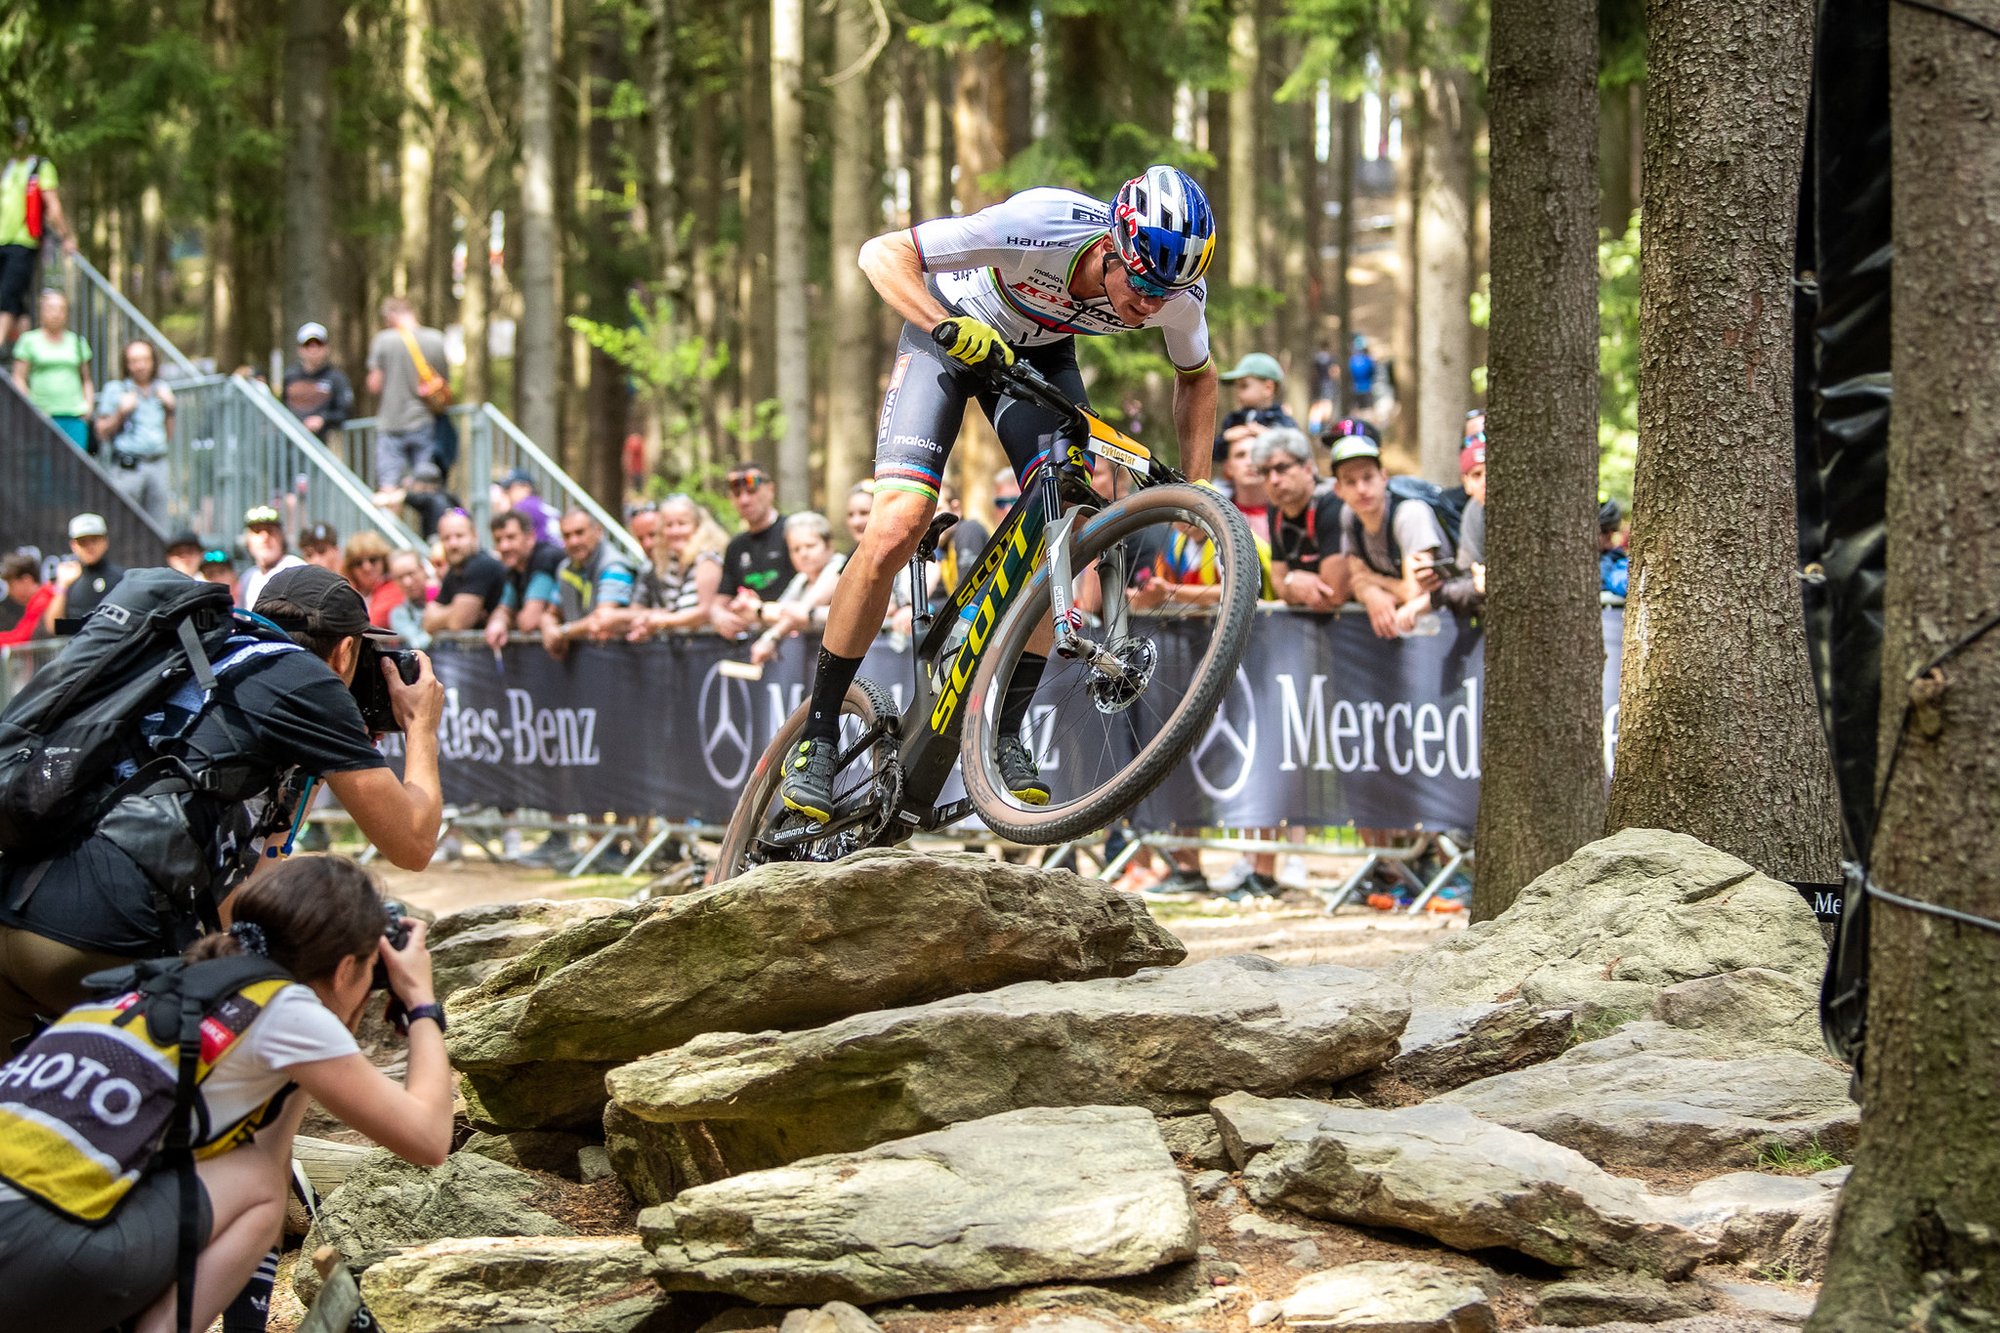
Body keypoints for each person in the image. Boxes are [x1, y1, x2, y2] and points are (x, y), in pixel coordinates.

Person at [784, 164, 1220, 821]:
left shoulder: (1178, 294)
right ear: (1113, 244)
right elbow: (880, 254)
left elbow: (1199, 377)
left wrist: (1197, 481)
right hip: (952, 330)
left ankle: (1004, 731)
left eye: (1167, 293)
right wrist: (941, 324)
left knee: (1068, 521)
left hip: (1040, 354)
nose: (1150, 305)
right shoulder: (1038, 226)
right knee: (899, 522)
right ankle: (816, 738)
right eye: (1141, 283)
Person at [0, 856, 453, 1333]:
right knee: (256, 1183)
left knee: (237, 1168)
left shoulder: (162, 988)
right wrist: (420, 1001)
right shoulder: (284, 1006)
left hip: (26, 1249)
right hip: (35, 1258)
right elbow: (427, 1139)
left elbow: (272, 1144)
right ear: (345, 969)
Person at [0, 565, 445, 1049]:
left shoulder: (206, 656)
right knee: (218, 1092)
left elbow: (249, 885)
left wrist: (313, 767)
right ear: (345, 650)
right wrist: (420, 725)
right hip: (103, 940)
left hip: (16, 910)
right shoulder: (308, 680)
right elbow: (414, 843)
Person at [1330, 433, 1453, 640]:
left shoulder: (1410, 515)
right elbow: (1356, 581)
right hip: (1399, 630)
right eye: (1350, 482)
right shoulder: (1349, 516)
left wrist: (1371, 579)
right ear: (1338, 490)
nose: (1361, 489)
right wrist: (1371, 594)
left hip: (1446, 627)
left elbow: (1414, 592)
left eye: (1368, 477)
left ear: (1383, 477)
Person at [0, 119, 78, 361]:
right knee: (16, 303)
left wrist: (67, 237)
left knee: (6, 298)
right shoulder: (9, 167)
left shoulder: (41, 166)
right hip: (2, 241)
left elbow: (53, 207)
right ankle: (22, 356)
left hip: (23, 243)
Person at [1395, 437, 1486, 631]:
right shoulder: (1474, 512)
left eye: (1491, 471)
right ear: (1466, 483)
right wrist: (1436, 588)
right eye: (1477, 475)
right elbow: (1463, 583)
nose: (1486, 481)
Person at [1259, 427, 1350, 612]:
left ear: (1308, 469)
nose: (1273, 480)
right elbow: (1278, 581)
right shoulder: (1275, 509)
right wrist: (1293, 582)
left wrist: (1290, 582)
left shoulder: (1332, 502)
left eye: (1282, 468)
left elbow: (1333, 593)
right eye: (1265, 472)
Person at [364, 296, 449, 490]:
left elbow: (374, 385)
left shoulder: (384, 340)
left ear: (391, 316)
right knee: (426, 484)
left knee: (389, 486)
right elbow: (444, 382)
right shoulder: (436, 339)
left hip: (391, 422)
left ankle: (391, 518)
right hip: (424, 421)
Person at [94, 339, 176, 525]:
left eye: (145, 359)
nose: (140, 365)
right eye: (134, 360)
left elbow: (169, 435)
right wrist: (121, 412)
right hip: (127, 467)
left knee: (159, 525)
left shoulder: (162, 389)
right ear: (127, 364)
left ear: (153, 362)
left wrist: (171, 408)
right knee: (123, 523)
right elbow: (101, 431)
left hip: (158, 464)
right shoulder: (116, 389)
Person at [710, 463, 794, 638]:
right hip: (751, 643)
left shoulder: (792, 531)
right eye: (737, 494)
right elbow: (720, 600)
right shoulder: (736, 546)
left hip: (793, 636)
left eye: (751, 491)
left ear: (770, 490)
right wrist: (719, 616)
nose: (744, 500)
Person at [750, 512, 846, 665]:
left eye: (810, 546)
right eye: (796, 549)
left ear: (829, 546)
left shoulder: (841, 566)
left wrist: (768, 631)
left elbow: (800, 611)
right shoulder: (801, 579)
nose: (803, 554)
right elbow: (786, 610)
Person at [541, 510, 636, 657]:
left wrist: (563, 632)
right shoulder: (565, 569)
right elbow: (551, 613)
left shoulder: (614, 566)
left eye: (579, 533)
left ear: (598, 531)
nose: (574, 541)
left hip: (615, 659)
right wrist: (549, 629)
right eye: (567, 535)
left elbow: (603, 619)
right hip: (582, 663)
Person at [12, 289, 92, 449]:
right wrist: (32, 408)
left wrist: (88, 406)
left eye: (61, 309)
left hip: (74, 416)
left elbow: (86, 379)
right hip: (42, 416)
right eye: (51, 308)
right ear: (41, 311)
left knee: (75, 469)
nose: (56, 314)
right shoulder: (29, 340)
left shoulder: (77, 341)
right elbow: (18, 377)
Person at [483, 510, 565, 650]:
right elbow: (504, 610)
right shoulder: (514, 569)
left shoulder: (545, 558)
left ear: (530, 537)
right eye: (498, 540)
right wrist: (499, 622)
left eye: (511, 537)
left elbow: (529, 621)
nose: (504, 546)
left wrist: (510, 621)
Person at [421, 509, 506, 635]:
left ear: (475, 536)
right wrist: (457, 610)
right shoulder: (453, 571)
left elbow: (458, 623)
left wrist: (452, 612)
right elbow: (427, 622)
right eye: (446, 538)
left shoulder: (482, 565)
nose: (453, 544)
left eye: (459, 536)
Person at [1212, 351, 1297, 468]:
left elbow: (1297, 450)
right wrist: (1225, 438)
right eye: (1236, 387)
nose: (1238, 393)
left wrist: (1269, 436)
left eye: (1244, 386)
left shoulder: (1281, 420)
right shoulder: (1234, 419)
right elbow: (1214, 454)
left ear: (1268, 388)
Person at [281, 322, 354, 442]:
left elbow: (345, 411)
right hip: (291, 446)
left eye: (318, 344)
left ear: (326, 348)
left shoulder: (336, 378)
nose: (313, 350)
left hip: (324, 446)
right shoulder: (290, 376)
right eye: (308, 345)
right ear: (299, 349)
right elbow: (282, 407)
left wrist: (324, 419)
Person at [50, 512, 124, 623]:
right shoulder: (69, 580)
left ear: (105, 541)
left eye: (94, 539)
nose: (90, 547)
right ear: (73, 545)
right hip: (76, 639)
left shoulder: (121, 578)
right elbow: (54, 627)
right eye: (82, 542)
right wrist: (62, 586)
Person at [927, 480, 989, 613]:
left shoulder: (968, 531)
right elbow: (942, 596)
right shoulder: (945, 548)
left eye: (937, 509)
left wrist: (929, 609)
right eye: (927, 513)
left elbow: (969, 595)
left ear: (956, 509)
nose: (931, 519)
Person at [236, 506, 306, 610]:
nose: (265, 537)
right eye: (257, 531)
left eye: (270, 531)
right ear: (247, 540)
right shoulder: (247, 577)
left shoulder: (297, 569)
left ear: (282, 537)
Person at [341, 531, 399, 628]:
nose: (367, 567)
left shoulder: (394, 588)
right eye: (358, 563)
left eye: (373, 560)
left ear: (384, 561)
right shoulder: (347, 591)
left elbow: (371, 625)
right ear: (350, 568)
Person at [394, 460, 460, 541]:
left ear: (423, 486)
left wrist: (383, 498)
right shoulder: (450, 498)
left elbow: (402, 496)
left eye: (415, 484)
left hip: (440, 542)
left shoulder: (430, 499)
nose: (412, 487)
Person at [0, 552, 55, 645]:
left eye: (11, 585)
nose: (9, 591)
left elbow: (22, 637)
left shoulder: (43, 600)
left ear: (26, 580)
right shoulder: (39, 599)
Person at [498, 469, 560, 547]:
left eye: (509, 488)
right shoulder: (539, 504)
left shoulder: (522, 507)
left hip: (544, 552)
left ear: (526, 487)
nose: (506, 493)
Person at [385, 550, 432, 649]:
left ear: (423, 570)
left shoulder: (445, 596)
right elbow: (417, 643)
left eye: (411, 574)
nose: (407, 582)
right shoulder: (399, 614)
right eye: (400, 577)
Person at [1600, 499, 1629, 598]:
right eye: (1603, 530)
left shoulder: (1615, 560)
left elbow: (1621, 578)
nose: (1610, 535)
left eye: (1613, 529)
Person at [1347, 335, 1378, 410]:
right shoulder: (1368, 360)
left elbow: (1350, 375)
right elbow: (1373, 372)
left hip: (1356, 388)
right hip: (1366, 387)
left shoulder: (1352, 360)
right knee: (1367, 409)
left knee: (1358, 408)